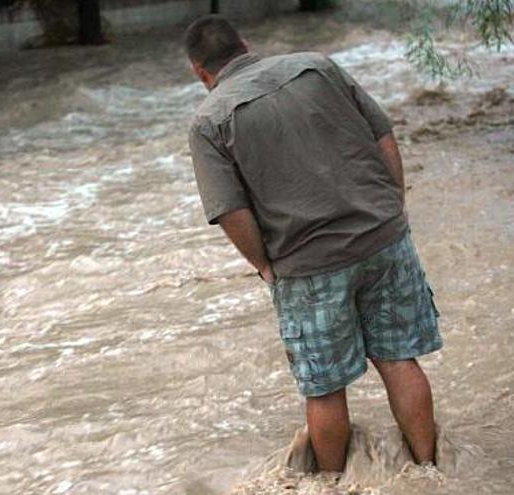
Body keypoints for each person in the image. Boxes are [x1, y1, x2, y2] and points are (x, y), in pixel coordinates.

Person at [183, 15, 443, 473]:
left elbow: (230, 211)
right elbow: (383, 134)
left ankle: (332, 484)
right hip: (383, 237)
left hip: (307, 265)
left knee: (324, 388)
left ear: (198, 72)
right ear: (246, 44)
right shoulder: (317, 66)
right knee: (399, 358)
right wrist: (392, 208)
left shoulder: (209, 120)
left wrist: (265, 264)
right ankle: (429, 469)